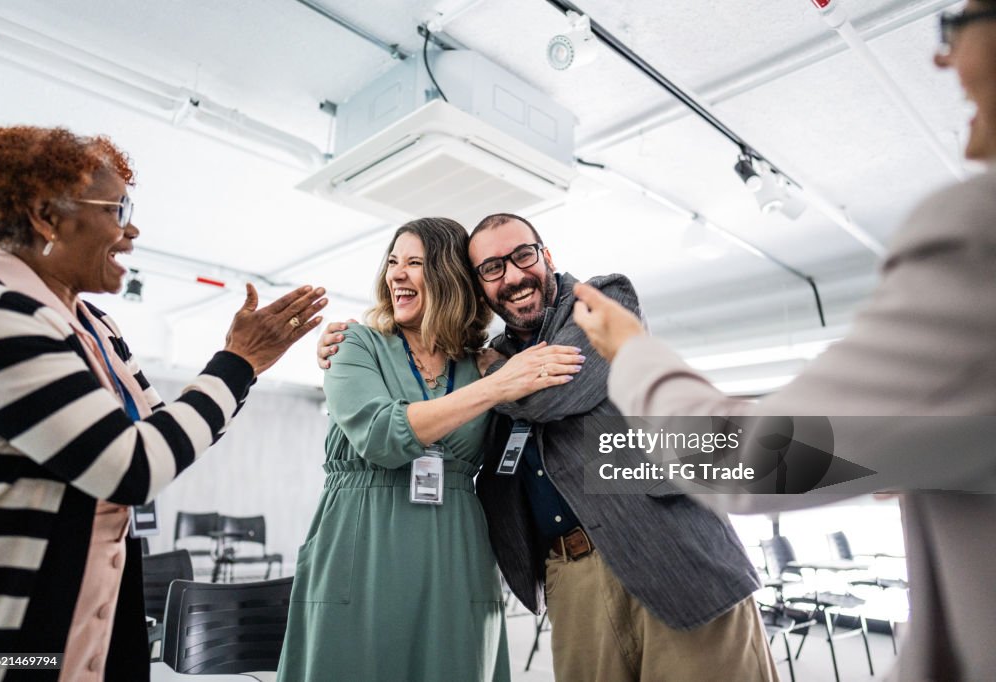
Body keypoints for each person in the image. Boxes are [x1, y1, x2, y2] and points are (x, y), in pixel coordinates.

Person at [571, 3, 996, 679]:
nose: (941, 56)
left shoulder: (978, 234)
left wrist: (631, 352)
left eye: (959, 22)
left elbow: (747, 458)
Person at [320, 214, 778, 681]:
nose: (513, 276)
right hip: (571, 573)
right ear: (477, 286)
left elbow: (555, 395)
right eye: (492, 268)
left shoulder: (598, 302)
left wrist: (497, 377)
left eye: (523, 255)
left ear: (547, 256)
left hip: (667, 551)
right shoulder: (488, 359)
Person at [0, 125, 327, 682]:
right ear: (45, 216)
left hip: (99, 617)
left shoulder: (96, 326)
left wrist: (244, 365)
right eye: (117, 209)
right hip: (11, 645)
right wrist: (237, 362)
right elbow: (133, 467)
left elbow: (166, 434)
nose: (133, 229)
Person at [278, 217, 584, 682]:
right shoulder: (355, 344)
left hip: (457, 552)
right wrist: (495, 386)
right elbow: (381, 436)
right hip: (363, 546)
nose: (396, 274)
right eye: (392, 262)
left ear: (450, 277)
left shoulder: (482, 362)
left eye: (414, 263)